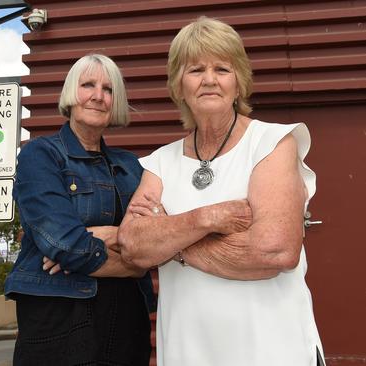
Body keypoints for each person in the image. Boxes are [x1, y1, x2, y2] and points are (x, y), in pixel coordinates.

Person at [117, 16, 325, 366]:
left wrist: (172, 244)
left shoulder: (272, 143)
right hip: (189, 351)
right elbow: (134, 245)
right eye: (196, 69)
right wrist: (208, 217)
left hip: (272, 349)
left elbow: (275, 250)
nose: (210, 80)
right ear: (178, 86)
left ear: (239, 82)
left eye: (222, 69)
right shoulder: (160, 162)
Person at [3, 53, 156, 366]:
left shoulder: (132, 167)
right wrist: (134, 263)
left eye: (108, 89)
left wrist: (111, 236)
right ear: (71, 93)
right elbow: (65, 244)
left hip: (126, 323)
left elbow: (156, 242)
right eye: (88, 85)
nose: (98, 96)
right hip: (59, 318)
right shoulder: (40, 155)